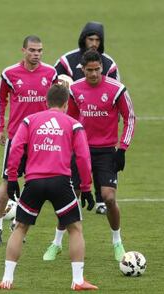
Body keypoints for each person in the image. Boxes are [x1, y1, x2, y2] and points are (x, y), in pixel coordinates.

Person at [0, 84, 98, 291]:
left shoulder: (30, 120)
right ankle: (77, 280)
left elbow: (16, 148)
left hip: (33, 182)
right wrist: (86, 187)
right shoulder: (73, 124)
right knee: (75, 228)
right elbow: (84, 158)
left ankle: (7, 279)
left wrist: (13, 177)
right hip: (60, 182)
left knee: (21, 228)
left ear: (46, 102)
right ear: (66, 104)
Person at [44, 50, 136, 262]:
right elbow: (70, 121)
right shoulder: (74, 91)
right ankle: (56, 243)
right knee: (69, 197)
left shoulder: (117, 89)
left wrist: (122, 148)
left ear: (102, 68)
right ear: (82, 70)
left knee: (109, 198)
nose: (94, 74)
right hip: (80, 150)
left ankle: (117, 242)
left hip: (106, 152)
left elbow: (129, 118)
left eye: (97, 69)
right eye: (89, 70)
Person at [0, 35, 57, 244]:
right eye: (32, 50)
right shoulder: (9, 73)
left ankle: (18, 224)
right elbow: (0, 99)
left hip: (42, 138)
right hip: (17, 138)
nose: (36, 54)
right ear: (23, 50)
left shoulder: (51, 73)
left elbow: (59, 102)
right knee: (7, 183)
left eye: (39, 50)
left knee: (34, 183)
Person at [56, 21, 120, 216]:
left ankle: (101, 199)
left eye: (98, 40)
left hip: (101, 121)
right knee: (78, 162)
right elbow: (54, 82)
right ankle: (74, 203)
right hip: (76, 121)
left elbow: (115, 91)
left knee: (101, 162)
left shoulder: (108, 63)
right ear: (83, 38)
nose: (94, 43)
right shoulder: (67, 60)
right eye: (90, 39)